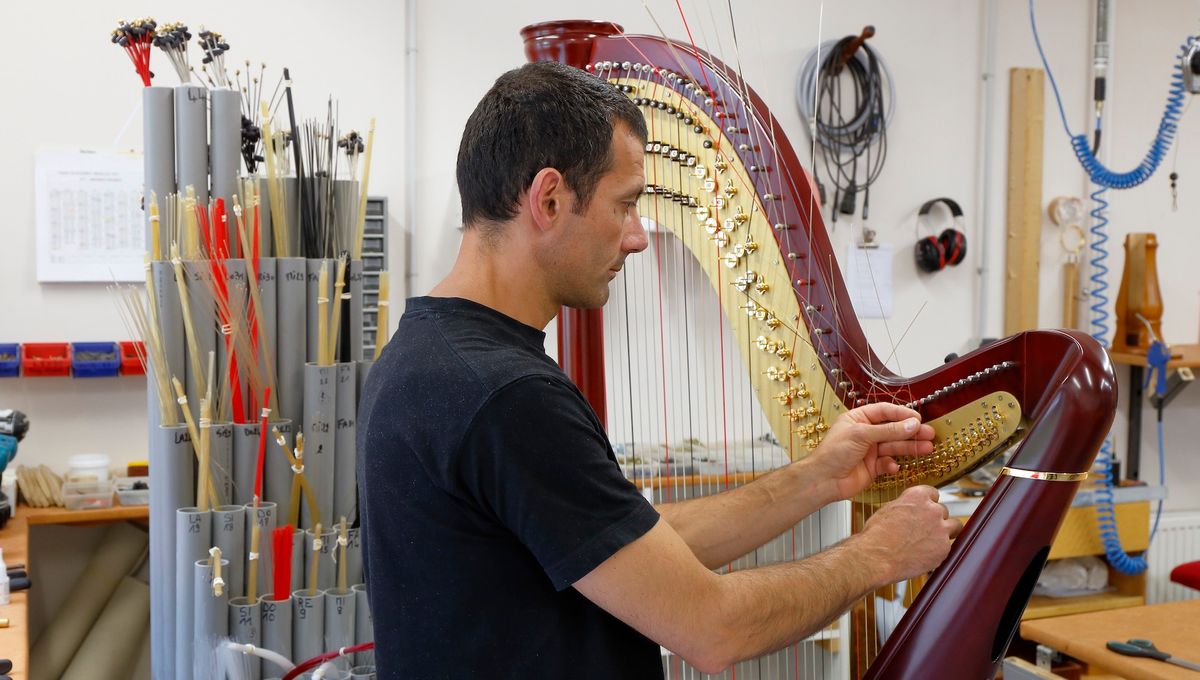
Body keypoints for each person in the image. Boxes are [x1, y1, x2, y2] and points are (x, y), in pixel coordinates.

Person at [356, 60, 961, 678]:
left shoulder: (420, 355)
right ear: (550, 198)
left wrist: (820, 479)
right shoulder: (505, 395)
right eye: (625, 206)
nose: (638, 238)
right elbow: (714, 628)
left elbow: (623, 543)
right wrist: (880, 553)